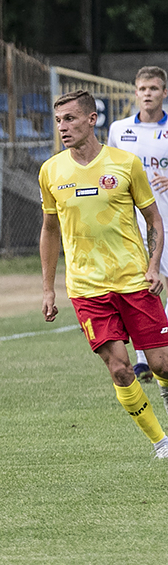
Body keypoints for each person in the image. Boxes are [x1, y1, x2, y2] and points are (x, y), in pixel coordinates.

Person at [40, 89, 168, 459]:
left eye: (70, 119)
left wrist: (153, 266)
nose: (63, 127)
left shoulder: (125, 164)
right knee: (120, 369)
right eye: (58, 121)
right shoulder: (51, 171)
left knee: (162, 364)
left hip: (134, 281)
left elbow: (153, 219)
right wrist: (48, 289)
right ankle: (161, 443)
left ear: (92, 119)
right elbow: (49, 230)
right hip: (87, 288)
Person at [107, 66, 168, 387]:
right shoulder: (120, 130)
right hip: (131, 224)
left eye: (154, 88)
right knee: (140, 289)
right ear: (135, 92)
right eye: (143, 88)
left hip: (165, 219)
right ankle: (144, 359)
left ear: (164, 93)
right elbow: (108, 169)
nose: (147, 94)